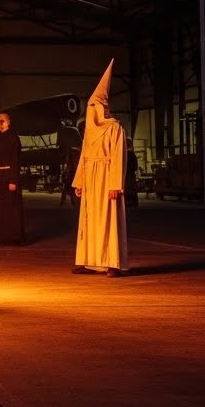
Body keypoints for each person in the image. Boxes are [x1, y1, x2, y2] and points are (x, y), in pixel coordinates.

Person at [72, 60, 128, 276]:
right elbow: (84, 156)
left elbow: (119, 158)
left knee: (108, 219)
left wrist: (115, 184)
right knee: (90, 220)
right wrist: (80, 181)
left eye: (94, 108)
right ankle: (89, 261)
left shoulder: (115, 129)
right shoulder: (89, 131)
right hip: (91, 179)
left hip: (106, 177)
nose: (91, 112)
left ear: (102, 109)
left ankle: (111, 262)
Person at [0, 112, 24, 244]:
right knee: (2, 208)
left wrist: (13, 180)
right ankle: (3, 237)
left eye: (1, 121)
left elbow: (15, 160)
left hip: (10, 175)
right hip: (0, 176)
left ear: (7, 122)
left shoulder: (13, 138)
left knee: (12, 207)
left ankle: (15, 237)